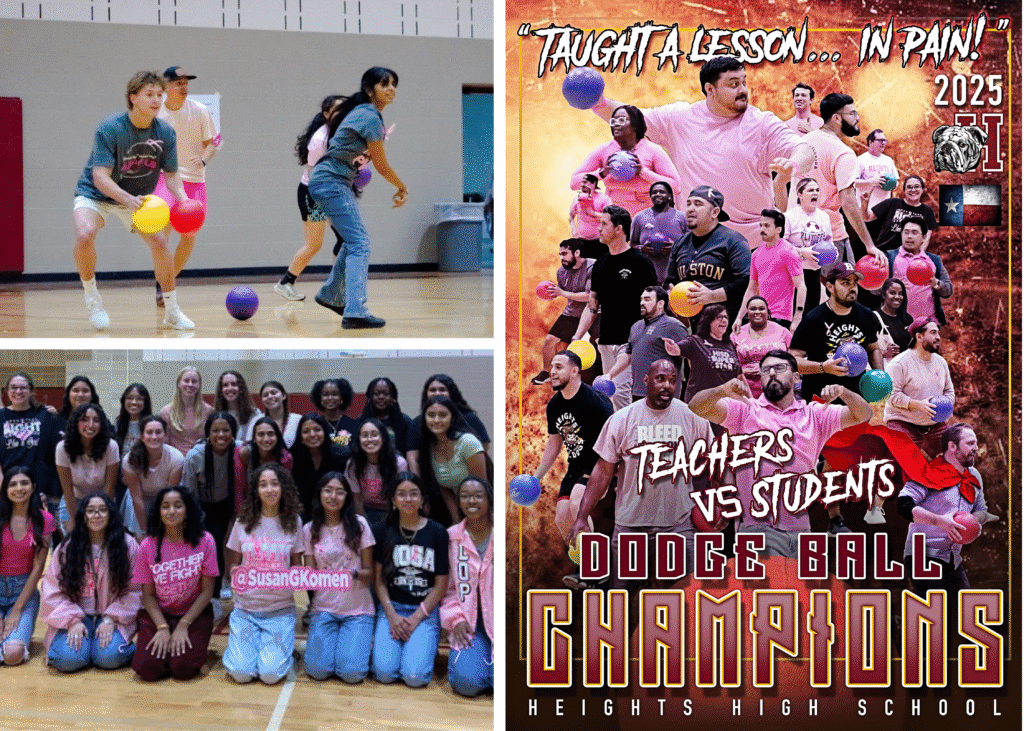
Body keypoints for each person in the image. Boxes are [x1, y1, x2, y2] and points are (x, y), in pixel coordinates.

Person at [592, 55, 813, 250]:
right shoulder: (680, 118)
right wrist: (598, 102)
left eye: (744, 82)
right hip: (696, 246)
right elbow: (632, 118)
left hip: (753, 246)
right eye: (734, 84)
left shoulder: (762, 123)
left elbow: (804, 150)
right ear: (710, 89)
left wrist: (793, 164)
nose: (743, 90)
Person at [689, 351, 872, 555]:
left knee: (798, 588)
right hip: (759, 530)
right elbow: (697, 407)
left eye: (779, 368)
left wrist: (843, 392)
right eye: (766, 370)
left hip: (802, 530)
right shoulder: (746, 410)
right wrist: (721, 390)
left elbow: (863, 414)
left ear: (796, 377)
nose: (772, 373)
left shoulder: (815, 414)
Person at [567, 360, 714, 586]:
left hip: (679, 525)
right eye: (660, 379)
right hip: (631, 526)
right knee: (622, 601)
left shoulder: (692, 417)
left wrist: (716, 503)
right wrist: (582, 516)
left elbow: (715, 461)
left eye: (673, 381)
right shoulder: (622, 419)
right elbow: (602, 473)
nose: (667, 385)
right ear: (646, 380)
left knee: (689, 598)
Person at [72, 70, 194, 330]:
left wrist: (184, 200)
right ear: (133, 97)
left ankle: (172, 310)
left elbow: (171, 175)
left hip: (138, 198)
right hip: (97, 193)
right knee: (85, 234)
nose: (156, 100)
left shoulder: (166, 132)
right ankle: (93, 299)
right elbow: (100, 177)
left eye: (160, 95)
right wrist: (126, 199)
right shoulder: (110, 128)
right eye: (149, 94)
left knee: (160, 242)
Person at [308, 67, 408, 329]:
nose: (391, 89)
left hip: (332, 181)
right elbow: (381, 165)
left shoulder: (364, 114)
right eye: (384, 84)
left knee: (354, 242)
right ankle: (355, 311)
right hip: (330, 182)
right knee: (360, 243)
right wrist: (402, 187)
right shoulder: (369, 116)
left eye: (394, 84)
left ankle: (331, 294)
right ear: (368, 89)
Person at [532, 350, 614, 588]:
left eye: (559, 367)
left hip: (600, 462)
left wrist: (619, 468)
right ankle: (586, 567)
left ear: (575, 371)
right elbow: (555, 443)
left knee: (579, 503)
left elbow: (616, 434)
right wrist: (536, 477)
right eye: (552, 368)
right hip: (576, 465)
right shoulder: (555, 405)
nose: (553, 372)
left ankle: (595, 568)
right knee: (562, 518)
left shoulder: (596, 402)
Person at [40, 492, 140, 671]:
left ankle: (99, 649)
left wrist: (110, 619)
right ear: (83, 515)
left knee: (109, 658)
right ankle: (87, 649)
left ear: (111, 514)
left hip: (113, 615)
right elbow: (53, 589)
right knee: (68, 660)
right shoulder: (68, 547)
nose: (97, 515)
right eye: (91, 511)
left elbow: (136, 591)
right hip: (75, 615)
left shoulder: (128, 545)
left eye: (103, 510)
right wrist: (73, 621)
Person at [223, 464, 304, 684]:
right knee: (241, 674)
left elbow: (297, 566)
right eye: (263, 484)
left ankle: (284, 650)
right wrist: (238, 579)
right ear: (256, 490)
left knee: (269, 675)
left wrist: (293, 577)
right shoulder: (243, 522)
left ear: (283, 487)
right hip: (246, 610)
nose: (269, 489)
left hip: (279, 610)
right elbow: (234, 565)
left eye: (274, 484)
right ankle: (249, 648)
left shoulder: (294, 522)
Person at [571, 205, 657, 410]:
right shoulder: (600, 264)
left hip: (629, 342)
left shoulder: (640, 262)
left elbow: (655, 304)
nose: (598, 228)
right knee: (609, 397)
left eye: (603, 224)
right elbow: (592, 306)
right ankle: (617, 439)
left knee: (620, 395)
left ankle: (627, 441)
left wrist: (646, 336)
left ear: (619, 229)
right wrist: (577, 336)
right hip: (605, 341)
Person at [784, 93, 885, 268]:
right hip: (828, 240)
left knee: (806, 293)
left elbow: (781, 182)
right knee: (842, 291)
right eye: (852, 114)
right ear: (837, 118)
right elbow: (849, 203)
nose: (857, 118)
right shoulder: (843, 153)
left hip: (794, 238)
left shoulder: (803, 141)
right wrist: (869, 244)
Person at [131, 486, 217, 681]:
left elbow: (207, 591)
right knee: (147, 670)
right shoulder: (147, 546)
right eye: (165, 506)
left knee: (183, 669)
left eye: (178, 506)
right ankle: (165, 655)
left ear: (187, 511)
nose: (171, 511)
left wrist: (183, 624)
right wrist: (162, 627)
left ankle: (176, 655)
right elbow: (148, 595)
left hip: (193, 614)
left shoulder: (205, 541)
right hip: (159, 615)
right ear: (159, 512)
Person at [371, 472, 449, 687]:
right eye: (402, 494)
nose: (408, 499)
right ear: (394, 500)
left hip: (424, 611)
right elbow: (378, 581)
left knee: (414, 678)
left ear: (422, 499)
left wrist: (416, 618)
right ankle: (412, 648)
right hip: (392, 608)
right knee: (384, 674)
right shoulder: (383, 530)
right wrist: (392, 616)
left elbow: (440, 585)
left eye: (414, 494)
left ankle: (423, 648)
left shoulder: (438, 532)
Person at [897, 424, 990, 596]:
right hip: (923, 555)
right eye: (970, 443)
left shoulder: (974, 476)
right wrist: (939, 520)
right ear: (952, 446)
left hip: (952, 558)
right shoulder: (928, 472)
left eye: (975, 443)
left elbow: (981, 509)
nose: (976, 448)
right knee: (936, 616)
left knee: (966, 610)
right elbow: (903, 504)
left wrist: (974, 522)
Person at [152, 66, 218, 304]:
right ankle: (164, 284)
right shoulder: (156, 112)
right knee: (162, 234)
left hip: (194, 180)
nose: (183, 87)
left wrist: (203, 159)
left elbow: (213, 142)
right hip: (165, 177)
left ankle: (167, 279)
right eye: (178, 83)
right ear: (166, 86)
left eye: (185, 83)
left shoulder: (199, 111)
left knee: (189, 236)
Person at [303, 472, 375, 683]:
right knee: (318, 671)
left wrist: (349, 574)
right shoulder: (309, 529)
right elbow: (310, 578)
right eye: (328, 490)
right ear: (320, 494)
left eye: (339, 492)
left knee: (351, 674)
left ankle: (359, 647)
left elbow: (369, 574)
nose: (333, 496)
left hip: (358, 611)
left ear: (346, 497)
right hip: (324, 610)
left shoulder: (360, 525)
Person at [276, 95, 346, 301]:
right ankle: (285, 283)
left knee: (345, 238)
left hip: (331, 192)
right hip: (314, 193)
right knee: (314, 244)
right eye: (339, 109)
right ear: (327, 114)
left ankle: (337, 286)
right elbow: (316, 176)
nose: (344, 112)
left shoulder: (343, 133)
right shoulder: (319, 140)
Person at [789, 261, 883, 402]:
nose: (853, 288)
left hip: (856, 401)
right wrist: (822, 367)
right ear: (830, 287)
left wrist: (879, 375)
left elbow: (873, 349)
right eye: (846, 282)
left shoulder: (866, 315)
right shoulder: (813, 319)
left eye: (855, 283)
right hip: (820, 401)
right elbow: (792, 361)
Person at [569, 105, 680, 217]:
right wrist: (601, 173)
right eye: (613, 120)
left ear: (635, 124)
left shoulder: (653, 150)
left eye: (621, 120)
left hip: (648, 221)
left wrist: (643, 172)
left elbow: (676, 187)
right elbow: (574, 183)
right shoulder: (604, 150)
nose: (616, 123)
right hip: (614, 222)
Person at [664, 186, 750, 324]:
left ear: (715, 212)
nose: (690, 209)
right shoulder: (680, 243)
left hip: (727, 324)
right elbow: (670, 280)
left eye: (698, 204)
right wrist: (669, 294)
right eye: (688, 204)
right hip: (692, 325)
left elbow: (746, 280)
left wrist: (712, 296)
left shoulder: (734, 241)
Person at [440, 477, 494, 697]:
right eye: (465, 496)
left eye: (478, 495)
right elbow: (448, 588)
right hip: (470, 624)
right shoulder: (451, 537)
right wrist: (456, 619)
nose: (472, 501)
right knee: (466, 684)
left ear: (489, 499)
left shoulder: (508, 531)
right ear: (459, 501)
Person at [182, 411, 240, 606]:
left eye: (226, 430)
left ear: (233, 433)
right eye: (215, 430)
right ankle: (212, 596)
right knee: (212, 544)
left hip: (233, 503)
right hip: (205, 506)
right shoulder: (195, 456)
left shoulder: (241, 451)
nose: (221, 435)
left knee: (233, 546)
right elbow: (189, 493)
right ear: (207, 434)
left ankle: (229, 583)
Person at [0, 468, 55, 666]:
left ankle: (17, 635)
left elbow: (38, 567)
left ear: (33, 487)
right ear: (5, 489)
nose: (19, 488)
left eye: (24, 483)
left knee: (12, 655)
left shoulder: (44, 520)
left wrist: (16, 609)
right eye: (13, 484)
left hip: (24, 590)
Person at [883, 317, 955, 460]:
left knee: (955, 459)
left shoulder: (941, 362)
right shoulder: (899, 363)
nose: (938, 337)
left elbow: (949, 391)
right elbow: (890, 396)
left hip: (935, 426)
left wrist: (945, 406)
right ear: (919, 336)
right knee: (901, 468)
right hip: (902, 423)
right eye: (933, 333)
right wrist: (918, 405)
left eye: (938, 333)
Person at [531, 239, 598, 386]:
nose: (561, 257)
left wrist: (562, 292)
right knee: (549, 341)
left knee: (602, 345)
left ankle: (606, 376)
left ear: (577, 253)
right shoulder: (561, 272)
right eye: (560, 254)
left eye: (565, 253)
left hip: (595, 313)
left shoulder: (593, 266)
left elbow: (589, 296)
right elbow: (564, 292)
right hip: (572, 313)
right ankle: (545, 372)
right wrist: (553, 293)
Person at [605, 286, 688, 401]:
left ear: (660, 304)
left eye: (647, 299)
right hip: (638, 392)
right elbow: (628, 355)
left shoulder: (673, 326)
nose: (642, 303)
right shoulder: (636, 326)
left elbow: (690, 355)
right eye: (641, 299)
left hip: (664, 394)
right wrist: (610, 375)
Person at [415, 397, 487, 527]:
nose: (436, 420)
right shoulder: (430, 447)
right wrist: (456, 521)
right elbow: (445, 487)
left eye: (442, 415)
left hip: (482, 511)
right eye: (431, 415)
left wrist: (475, 522)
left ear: (452, 418)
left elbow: (482, 488)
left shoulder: (467, 442)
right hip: (461, 512)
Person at [0, 373, 62, 516]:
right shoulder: (1, 416)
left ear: (31, 391)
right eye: (13, 387)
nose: (18, 391)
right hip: (9, 486)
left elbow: (52, 454)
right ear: (6, 390)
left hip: (40, 487)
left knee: (41, 532)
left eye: (23, 388)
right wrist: (3, 486)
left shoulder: (45, 414)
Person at [734, 209, 806, 331]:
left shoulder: (788, 252)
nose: (762, 229)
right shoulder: (756, 254)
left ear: (779, 229)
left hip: (781, 317)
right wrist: (739, 317)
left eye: (767, 225)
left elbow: (801, 286)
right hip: (760, 315)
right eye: (761, 225)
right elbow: (752, 288)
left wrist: (797, 318)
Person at [56, 404, 120, 532]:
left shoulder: (111, 446)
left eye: (96, 420)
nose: (90, 425)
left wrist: (100, 514)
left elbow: (109, 489)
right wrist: (77, 520)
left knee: (103, 534)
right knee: (74, 535)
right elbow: (67, 490)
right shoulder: (62, 448)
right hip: (74, 501)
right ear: (75, 423)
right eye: (84, 419)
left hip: (103, 501)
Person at [663, 304, 742, 403]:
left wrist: (750, 400)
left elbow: (739, 375)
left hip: (726, 406)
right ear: (708, 320)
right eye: (719, 317)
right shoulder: (695, 341)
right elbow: (676, 349)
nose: (723, 320)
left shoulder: (730, 345)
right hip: (700, 404)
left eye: (725, 317)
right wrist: (672, 346)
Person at [406, 374, 491, 465]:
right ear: (426, 394)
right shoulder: (416, 423)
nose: (437, 393)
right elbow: (412, 457)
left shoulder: (469, 418)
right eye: (432, 390)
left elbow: (484, 446)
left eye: (442, 389)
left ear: (451, 393)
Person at [122, 416, 185, 537]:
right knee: (142, 539)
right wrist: (146, 531)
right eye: (149, 432)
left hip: (165, 499)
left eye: (158, 432)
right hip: (140, 499)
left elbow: (168, 497)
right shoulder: (129, 461)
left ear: (165, 434)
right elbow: (137, 499)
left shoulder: (177, 458)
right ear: (142, 436)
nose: (154, 437)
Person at [881, 218, 953, 322]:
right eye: (906, 232)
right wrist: (890, 285)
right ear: (901, 235)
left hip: (928, 324)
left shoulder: (934, 260)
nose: (909, 236)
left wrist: (936, 283)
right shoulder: (888, 257)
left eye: (914, 232)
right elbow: (873, 290)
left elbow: (948, 291)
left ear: (924, 237)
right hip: (896, 323)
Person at [345, 417, 407, 529]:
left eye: (374, 434)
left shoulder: (399, 463)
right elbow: (356, 498)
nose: (369, 439)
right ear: (359, 440)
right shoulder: (353, 464)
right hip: (366, 511)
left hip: (392, 511)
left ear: (383, 437)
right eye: (364, 436)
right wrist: (364, 525)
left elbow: (400, 496)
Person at [783, 177, 834, 307]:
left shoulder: (824, 216)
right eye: (810, 190)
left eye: (817, 190)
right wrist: (801, 252)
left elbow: (829, 241)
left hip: (814, 273)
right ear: (799, 194)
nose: (815, 193)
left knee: (811, 313)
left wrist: (833, 253)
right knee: (794, 314)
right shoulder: (788, 216)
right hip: (794, 274)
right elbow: (779, 246)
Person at [290, 413, 348, 521]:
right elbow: (297, 495)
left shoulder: (341, 454)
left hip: (336, 510)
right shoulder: (293, 457)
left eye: (317, 429)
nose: (312, 434)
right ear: (300, 437)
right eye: (306, 431)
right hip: (304, 514)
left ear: (325, 432)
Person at [731, 296, 792, 398]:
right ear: (747, 313)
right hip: (744, 391)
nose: (757, 312)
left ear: (768, 312)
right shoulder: (736, 334)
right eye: (753, 309)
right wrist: (742, 372)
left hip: (778, 389)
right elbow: (727, 366)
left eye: (761, 308)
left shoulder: (783, 331)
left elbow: (794, 360)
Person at [630, 181, 687, 286]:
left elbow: (692, 244)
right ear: (650, 196)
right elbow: (632, 245)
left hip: (676, 275)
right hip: (647, 275)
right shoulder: (639, 217)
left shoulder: (682, 217)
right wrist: (642, 249)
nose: (657, 194)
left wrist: (675, 248)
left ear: (669, 196)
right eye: (654, 192)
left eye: (662, 192)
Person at [234, 417, 294, 515]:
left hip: (276, 507)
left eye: (270, 434)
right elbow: (240, 488)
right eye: (261, 434)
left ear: (277, 437)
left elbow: (285, 491)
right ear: (254, 437)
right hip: (249, 507)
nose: (266, 439)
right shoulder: (244, 453)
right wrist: (241, 515)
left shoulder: (286, 458)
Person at [862, 175, 938, 252]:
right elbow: (867, 217)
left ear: (922, 189)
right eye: (909, 187)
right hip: (884, 254)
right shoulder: (892, 203)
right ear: (904, 190)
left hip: (908, 257)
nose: (913, 190)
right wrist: (864, 203)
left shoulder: (927, 211)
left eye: (917, 186)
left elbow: (926, 238)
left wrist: (916, 257)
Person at [160, 367, 214, 456]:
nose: (190, 384)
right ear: (178, 383)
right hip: (176, 461)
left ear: (199, 385)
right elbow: (165, 445)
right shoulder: (166, 412)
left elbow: (211, 441)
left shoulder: (209, 411)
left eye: (194, 381)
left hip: (201, 460)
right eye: (186, 381)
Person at [359, 377, 413, 455]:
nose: (381, 397)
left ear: (393, 397)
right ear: (370, 397)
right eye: (376, 394)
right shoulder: (361, 421)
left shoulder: (405, 421)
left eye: (386, 394)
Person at [872, 278, 914, 366]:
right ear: (883, 294)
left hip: (907, 369)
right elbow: (864, 347)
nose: (897, 297)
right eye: (892, 293)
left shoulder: (907, 319)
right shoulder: (874, 317)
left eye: (900, 293)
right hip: (887, 371)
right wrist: (884, 353)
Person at [855, 128, 897, 211]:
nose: (883, 143)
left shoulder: (888, 160)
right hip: (865, 210)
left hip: (884, 211)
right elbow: (854, 183)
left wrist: (891, 184)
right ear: (870, 142)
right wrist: (871, 182)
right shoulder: (860, 160)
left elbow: (897, 182)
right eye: (880, 140)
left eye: (885, 140)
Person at [213, 371, 261, 442]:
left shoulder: (254, 414)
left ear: (241, 388)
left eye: (234, 384)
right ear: (221, 390)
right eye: (225, 385)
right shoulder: (215, 414)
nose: (230, 388)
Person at [568, 174, 612, 249]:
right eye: (582, 182)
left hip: (601, 241)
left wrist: (593, 213)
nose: (582, 185)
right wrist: (574, 230)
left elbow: (610, 218)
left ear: (594, 183)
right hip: (581, 241)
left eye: (585, 182)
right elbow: (571, 217)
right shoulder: (578, 199)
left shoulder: (604, 199)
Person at [310, 378, 359, 444]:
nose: (330, 398)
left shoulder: (353, 425)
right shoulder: (316, 425)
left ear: (342, 397)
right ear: (320, 398)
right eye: (325, 394)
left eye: (335, 394)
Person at [259, 381, 301, 449]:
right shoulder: (257, 420)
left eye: (274, 393)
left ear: (284, 395)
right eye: (265, 395)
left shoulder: (297, 419)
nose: (270, 396)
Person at [114, 383, 152, 457]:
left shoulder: (151, 423)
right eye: (130, 398)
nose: (134, 402)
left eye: (139, 399)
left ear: (145, 402)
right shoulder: (118, 422)